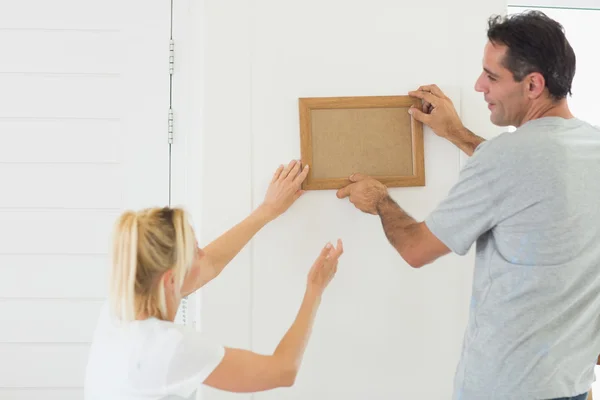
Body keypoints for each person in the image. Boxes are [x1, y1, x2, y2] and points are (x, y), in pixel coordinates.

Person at [336, 10, 600, 400]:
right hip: (572, 386)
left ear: (533, 85)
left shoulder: (506, 159)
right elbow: (530, 178)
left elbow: (415, 249)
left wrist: (379, 200)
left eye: (492, 77)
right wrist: (457, 133)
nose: (479, 86)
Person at [84, 160, 344, 399]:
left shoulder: (116, 313)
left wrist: (267, 210)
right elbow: (283, 371)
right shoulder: (168, 347)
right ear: (171, 281)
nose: (203, 253)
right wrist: (315, 289)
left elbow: (210, 263)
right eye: (194, 252)